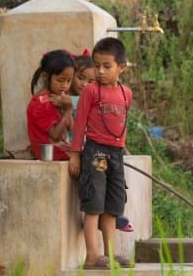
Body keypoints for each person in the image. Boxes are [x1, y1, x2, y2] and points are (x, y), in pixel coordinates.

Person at [68, 37, 133, 269]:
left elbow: (121, 124)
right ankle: (92, 256)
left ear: (121, 67)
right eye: (97, 66)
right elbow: (80, 124)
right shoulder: (91, 92)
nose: (100, 71)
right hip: (97, 154)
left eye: (107, 66)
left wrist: (120, 149)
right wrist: (75, 154)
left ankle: (110, 254)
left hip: (116, 154)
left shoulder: (126, 94)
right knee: (94, 202)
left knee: (112, 205)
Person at [27, 50, 76, 160]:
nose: (65, 86)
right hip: (52, 155)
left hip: (64, 151)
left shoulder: (57, 98)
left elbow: (73, 129)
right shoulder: (40, 103)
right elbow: (55, 135)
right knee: (95, 162)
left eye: (69, 81)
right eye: (60, 80)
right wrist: (68, 110)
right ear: (45, 77)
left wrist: (65, 109)